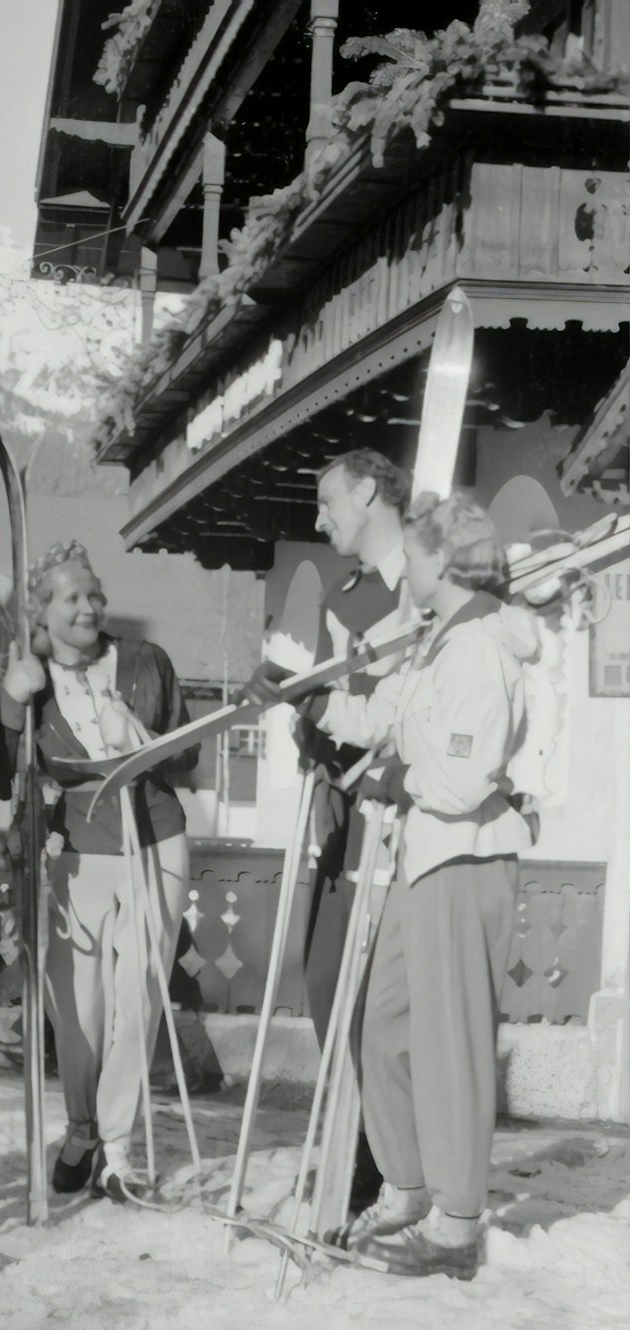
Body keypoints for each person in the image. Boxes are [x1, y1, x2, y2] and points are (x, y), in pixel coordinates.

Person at [294, 492, 537, 1278]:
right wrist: (316, 703)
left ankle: (458, 1224)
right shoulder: (440, 640)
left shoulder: (483, 649)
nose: (408, 566)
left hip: (465, 857)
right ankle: (408, 1185)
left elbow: (465, 778)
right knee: (385, 1028)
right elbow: (389, 716)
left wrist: (403, 775)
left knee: (451, 1042)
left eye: (417, 553)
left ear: (439, 561)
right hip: (422, 857)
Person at [0, 540, 199, 1203]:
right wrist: (11, 707)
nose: (90, 606)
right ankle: (81, 1127)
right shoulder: (29, 679)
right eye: (73, 597)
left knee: (135, 1004)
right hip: (71, 853)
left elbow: (186, 759)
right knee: (81, 1012)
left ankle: (118, 1149)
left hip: (155, 843)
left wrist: (139, 737)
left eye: (95, 592)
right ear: (42, 612)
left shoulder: (146, 662)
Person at [274, 449, 414, 1214]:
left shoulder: (430, 575)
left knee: (387, 997)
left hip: (412, 808)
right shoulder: (343, 592)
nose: (320, 518)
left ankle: (382, 1154)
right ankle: (355, 1141)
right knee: (326, 978)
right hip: (348, 808)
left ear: (368, 492)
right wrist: (310, 728)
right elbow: (332, 693)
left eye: (329, 501)